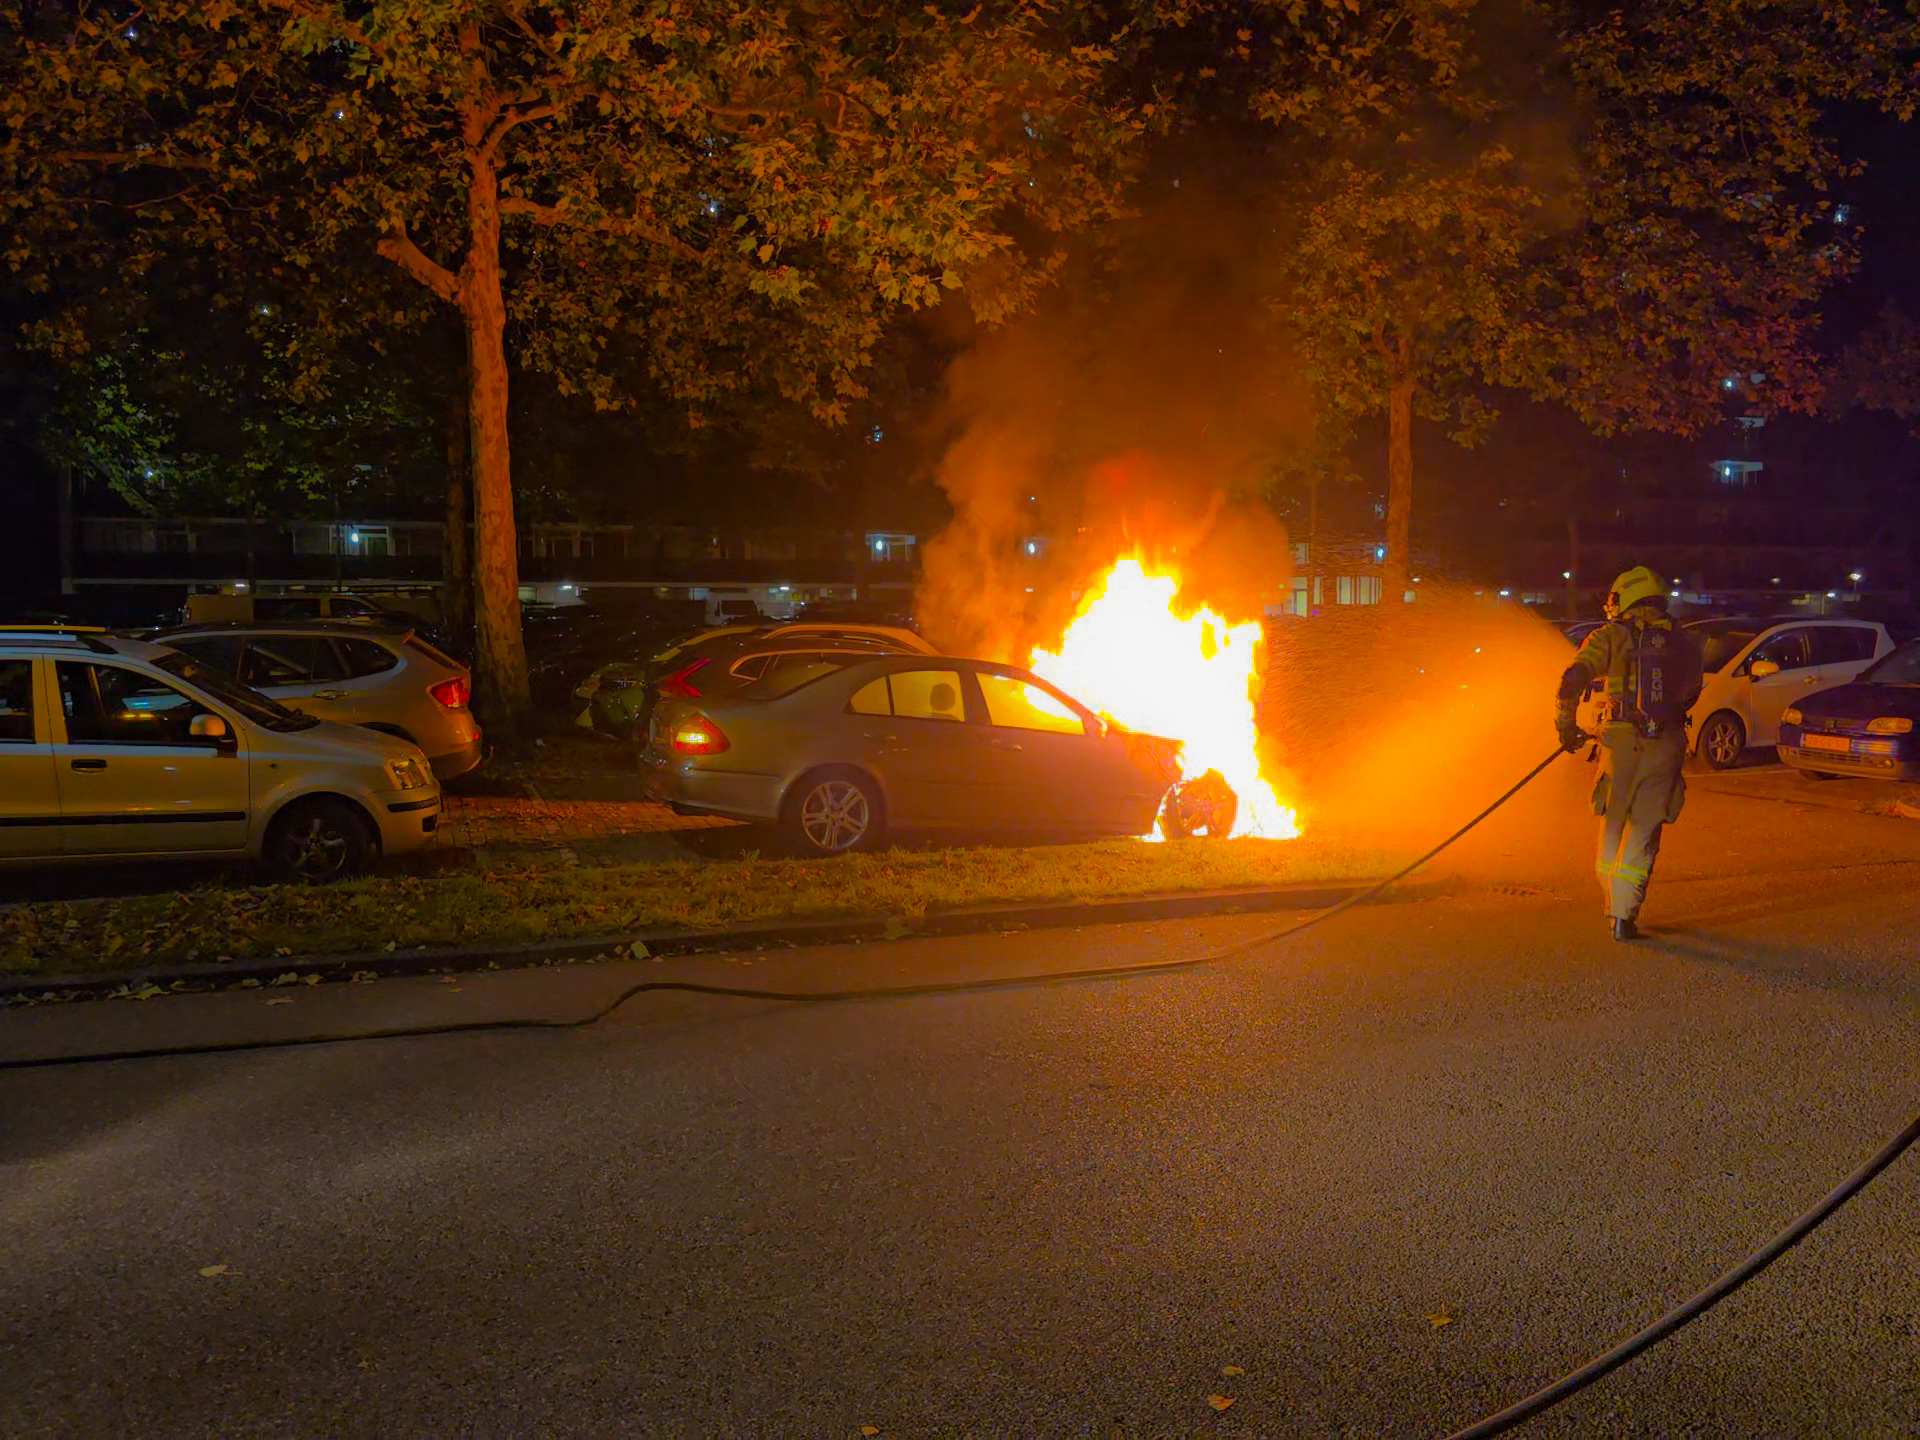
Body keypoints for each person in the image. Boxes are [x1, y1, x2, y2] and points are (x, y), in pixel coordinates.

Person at [1554, 566, 1705, 941]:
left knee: (1613, 826)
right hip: (1666, 745)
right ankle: (1624, 916)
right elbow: (1691, 693)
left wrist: (1566, 726)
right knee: (1644, 833)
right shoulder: (1685, 642)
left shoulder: (1611, 636)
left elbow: (1571, 680)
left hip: (1620, 745)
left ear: (1626, 597)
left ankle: (1612, 901)